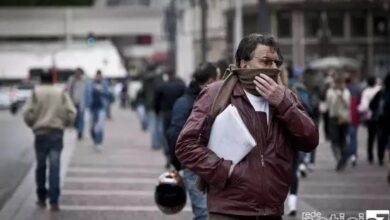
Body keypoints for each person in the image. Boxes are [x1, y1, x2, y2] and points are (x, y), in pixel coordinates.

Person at [175, 33, 319, 219]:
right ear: (244, 63)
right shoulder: (216, 94)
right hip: (229, 211)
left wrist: (283, 104)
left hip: (272, 211)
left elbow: (310, 140)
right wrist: (226, 171)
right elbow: (186, 145)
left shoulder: (285, 96)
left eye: (276, 63)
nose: (273, 68)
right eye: (265, 61)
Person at [166, 62, 218, 220]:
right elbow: (175, 134)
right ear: (210, 80)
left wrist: (176, 162)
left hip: (206, 164)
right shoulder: (198, 101)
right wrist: (178, 163)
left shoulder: (185, 101)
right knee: (204, 213)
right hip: (198, 163)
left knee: (206, 211)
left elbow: (173, 134)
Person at [24, 70, 76, 211]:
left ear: (40, 80)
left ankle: (41, 198)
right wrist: (66, 124)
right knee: (55, 167)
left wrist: (32, 124)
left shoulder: (36, 93)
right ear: (53, 79)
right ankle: (54, 201)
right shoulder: (60, 93)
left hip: (40, 134)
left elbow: (27, 113)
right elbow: (72, 112)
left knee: (40, 166)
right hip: (56, 133)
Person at [154, 68, 186, 168]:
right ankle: (176, 155)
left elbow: (156, 101)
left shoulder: (162, 86)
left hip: (166, 113)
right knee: (177, 135)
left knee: (166, 135)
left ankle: (168, 155)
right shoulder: (181, 86)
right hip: (178, 113)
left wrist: (157, 111)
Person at [326, 75, 351, 171]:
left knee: (339, 140)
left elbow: (347, 105)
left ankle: (341, 158)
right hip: (338, 118)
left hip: (339, 119)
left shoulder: (342, 92)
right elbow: (329, 104)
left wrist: (340, 96)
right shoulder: (333, 92)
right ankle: (341, 158)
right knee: (339, 140)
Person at [84, 70, 110, 152]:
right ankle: (95, 140)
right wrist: (84, 105)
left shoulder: (104, 84)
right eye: (97, 76)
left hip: (101, 107)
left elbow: (109, 95)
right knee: (92, 127)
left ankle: (99, 142)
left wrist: (101, 90)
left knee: (99, 126)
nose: (98, 77)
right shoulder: (89, 84)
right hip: (91, 107)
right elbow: (85, 95)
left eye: (100, 76)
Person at [358, 76, 381, 164]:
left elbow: (364, 106)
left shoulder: (366, 92)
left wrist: (359, 110)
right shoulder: (379, 90)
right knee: (380, 137)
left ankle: (370, 156)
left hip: (370, 117)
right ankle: (380, 156)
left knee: (371, 137)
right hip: (380, 117)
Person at [369, 73, 390, 167]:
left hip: (382, 121)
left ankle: (381, 157)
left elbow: (371, 105)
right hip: (384, 120)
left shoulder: (381, 93)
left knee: (382, 139)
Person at [66, 67, 87, 140]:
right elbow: (67, 89)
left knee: (81, 118)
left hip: (81, 102)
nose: (77, 74)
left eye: (78, 72)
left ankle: (80, 132)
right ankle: (77, 128)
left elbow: (86, 91)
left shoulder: (84, 80)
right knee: (74, 118)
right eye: (76, 72)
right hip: (72, 102)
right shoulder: (71, 79)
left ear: (81, 73)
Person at [345, 76, 361, 166]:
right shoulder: (357, 90)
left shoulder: (343, 91)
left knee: (345, 138)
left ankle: (348, 154)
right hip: (354, 117)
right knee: (353, 137)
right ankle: (353, 155)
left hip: (345, 117)